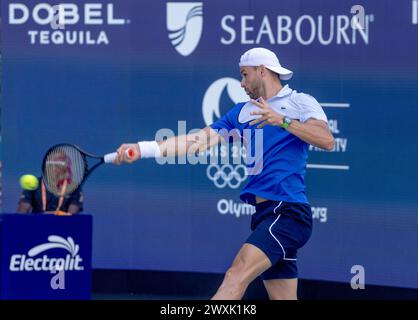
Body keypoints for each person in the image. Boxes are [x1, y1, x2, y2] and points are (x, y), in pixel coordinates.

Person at [113, 47, 335, 300]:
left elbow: (326, 140)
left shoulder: (299, 102)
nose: (241, 83)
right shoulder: (241, 112)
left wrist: (281, 120)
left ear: (262, 71)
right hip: (265, 214)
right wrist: (142, 148)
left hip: (287, 213)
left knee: (235, 275)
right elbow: (197, 141)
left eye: (244, 75)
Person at [17, 176, 83, 215]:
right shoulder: (34, 184)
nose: (56, 167)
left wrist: (56, 215)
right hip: (37, 225)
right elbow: (22, 212)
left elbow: (73, 216)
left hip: (63, 228)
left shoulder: (74, 187)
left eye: (61, 164)